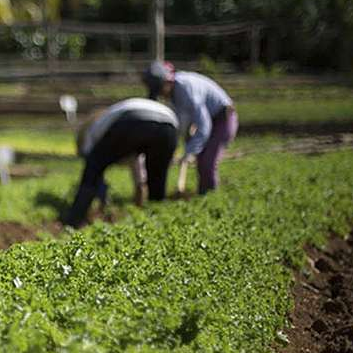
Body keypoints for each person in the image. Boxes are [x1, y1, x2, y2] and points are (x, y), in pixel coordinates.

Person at [61, 97, 179, 228]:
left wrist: (95, 193)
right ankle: (157, 224)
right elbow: (140, 176)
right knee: (157, 180)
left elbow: (91, 160)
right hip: (169, 125)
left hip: (132, 119)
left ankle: (74, 220)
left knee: (92, 170)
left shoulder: (93, 129)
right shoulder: (119, 132)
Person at [141, 61, 237, 195]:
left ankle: (210, 198)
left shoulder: (186, 88)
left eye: (160, 89)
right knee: (202, 160)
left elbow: (204, 125)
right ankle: (203, 194)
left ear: (167, 82)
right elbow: (182, 122)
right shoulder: (174, 93)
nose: (161, 95)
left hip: (222, 119)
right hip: (209, 119)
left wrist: (189, 152)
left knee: (207, 161)